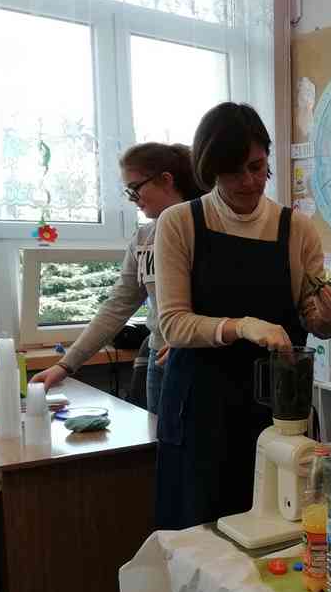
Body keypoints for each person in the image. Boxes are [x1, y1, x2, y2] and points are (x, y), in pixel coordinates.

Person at [154, 102, 331, 530]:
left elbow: (313, 320)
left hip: (277, 409)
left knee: (283, 527)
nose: (249, 181)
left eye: (258, 167)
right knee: (200, 533)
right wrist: (242, 326)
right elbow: (174, 323)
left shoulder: (297, 229)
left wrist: (330, 318)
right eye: (234, 171)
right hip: (201, 408)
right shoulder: (180, 223)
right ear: (211, 170)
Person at [31, 143, 203, 414]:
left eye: (135, 188)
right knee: (159, 437)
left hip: (199, 358)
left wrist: (193, 340)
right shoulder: (144, 238)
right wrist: (65, 364)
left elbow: (227, 294)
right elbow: (117, 305)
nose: (132, 198)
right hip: (159, 360)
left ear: (166, 180)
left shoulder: (205, 227)